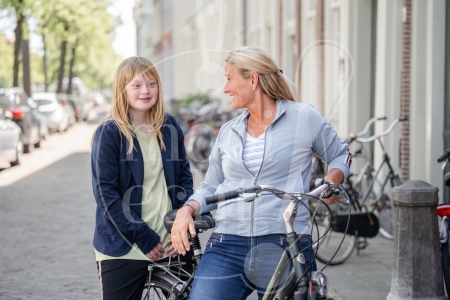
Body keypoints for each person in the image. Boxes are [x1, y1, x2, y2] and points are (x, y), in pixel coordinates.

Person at [170, 46, 352, 300]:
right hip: (227, 243)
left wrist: (331, 182)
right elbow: (211, 185)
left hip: (285, 243)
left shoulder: (304, 118)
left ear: (253, 79)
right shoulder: (228, 131)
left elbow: (340, 154)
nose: (225, 88)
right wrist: (187, 209)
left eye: (230, 79)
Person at [91, 56, 193, 300]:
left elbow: (184, 179)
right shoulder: (109, 133)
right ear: (122, 90)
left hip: (172, 244)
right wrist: (143, 237)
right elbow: (106, 196)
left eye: (151, 84)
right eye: (136, 85)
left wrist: (181, 223)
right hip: (125, 248)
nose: (145, 91)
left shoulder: (169, 126)